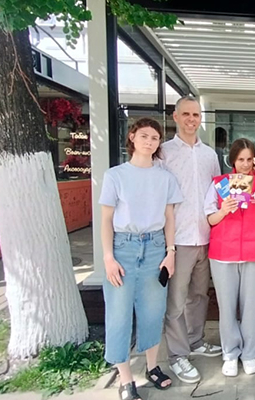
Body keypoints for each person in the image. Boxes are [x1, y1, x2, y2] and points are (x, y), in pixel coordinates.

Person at [99, 118, 183, 400]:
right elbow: (106, 219)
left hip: (156, 246)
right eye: (144, 136)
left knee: (153, 312)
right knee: (119, 313)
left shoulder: (165, 177)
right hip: (123, 247)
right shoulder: (115, 175)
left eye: (155, 138)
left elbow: (169, 217)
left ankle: (152, 366)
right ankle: (125, 379)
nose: (149, 141)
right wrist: (108, 257)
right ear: (132, 137)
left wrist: (170, 252)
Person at [159, 96, 222, 385]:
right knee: (176, 301)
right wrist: (167, 244)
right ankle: (177, 355)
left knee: (199, 295)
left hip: (207, 237)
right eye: (186, 114)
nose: (191, 119)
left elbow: (218, 194)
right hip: (178, 238)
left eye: (195, 114)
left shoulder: (210, 155)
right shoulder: (164, 152)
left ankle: (195, 341)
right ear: (175, 117)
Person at [204, 138, 255, 377]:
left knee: (249, 306)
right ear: (232, 160)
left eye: (249, 159)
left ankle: (249, 353)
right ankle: (230, 353)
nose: (245, 164)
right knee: (226, 307)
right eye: (240, 159)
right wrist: (223, 210)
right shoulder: (220, 184)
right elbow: (210, 219)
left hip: (253, 252)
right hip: (223, 253)